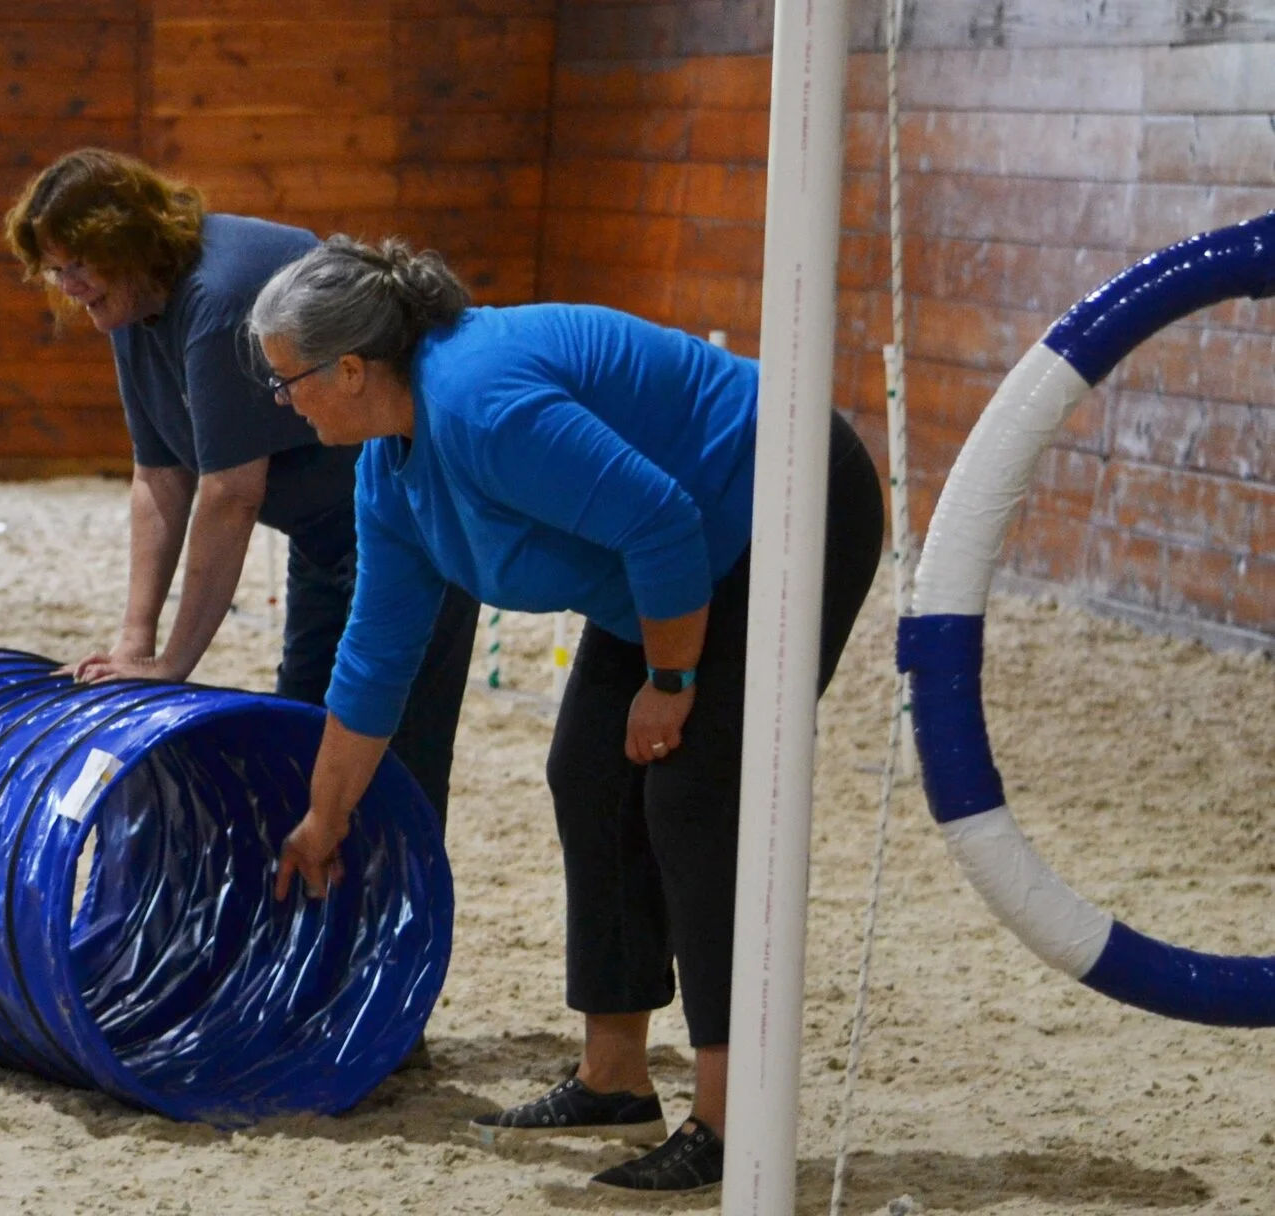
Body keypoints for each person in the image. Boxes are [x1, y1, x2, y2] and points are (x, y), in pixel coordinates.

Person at [250, 235, 884, 1193]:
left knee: (696, 795)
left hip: (779, 500)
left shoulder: (481, 403)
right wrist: (324, 818)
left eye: (285, 382)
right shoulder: (388, 468)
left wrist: (670, 688)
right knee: (587, 771)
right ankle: (615, 1078)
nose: (282, 403)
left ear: (349, 369)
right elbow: (376, 657)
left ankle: (731, 1120)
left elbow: (661, 516)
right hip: (667, 563)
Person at [2, 148, 478, 823]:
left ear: (127, 243)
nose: (67, 285)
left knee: (395, 755)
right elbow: (159, 474)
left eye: (78, 264)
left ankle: (401, 916)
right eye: (54, 268)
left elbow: (230, 495)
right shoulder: (131, 306)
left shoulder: (219, 297)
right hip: (326, 537)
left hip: (417, 531)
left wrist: (173, 663)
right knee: (303, 735)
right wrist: (134, 641)